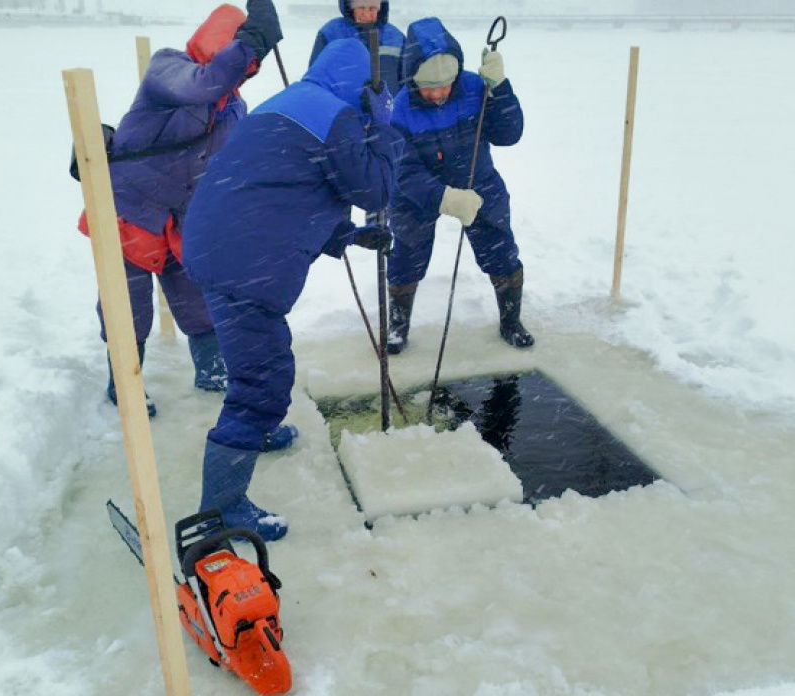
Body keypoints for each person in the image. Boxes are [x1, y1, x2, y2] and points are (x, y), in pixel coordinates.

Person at [182, 38, 401, 541]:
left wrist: (350, 235)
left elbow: (287, 191)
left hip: (219, 246)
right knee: (262, 381)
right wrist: (385, 128)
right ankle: (223, 509)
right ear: (360, 87)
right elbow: (374, 189)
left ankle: (253, 432)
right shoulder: (338, 116)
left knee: (255, 362)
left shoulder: (290, 103)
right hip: (243, 262)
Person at [76, 1, 282, 417]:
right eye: (241, 56)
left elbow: (233, 163)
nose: (244, 71)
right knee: (127, 308)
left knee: (197, 302)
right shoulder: (169, 69)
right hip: (131, 209)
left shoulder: (232, 106)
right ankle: (124, 386)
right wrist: (249, 43)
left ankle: (212, 372)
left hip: (181, 218)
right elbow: (204, 84)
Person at [384, 17, 532, 355]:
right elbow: (401, 170)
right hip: (419, 191)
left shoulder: (476, 88)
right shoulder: (399, 108)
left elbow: (509, 134)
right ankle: (398, 324)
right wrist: (443, 198)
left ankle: (511, 321)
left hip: (477, 180)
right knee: (406, 251)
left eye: (445, 85)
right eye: (428, 87)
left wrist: (501, 88)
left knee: (500, 248)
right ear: (412, 79)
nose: (437, 94)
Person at [309, 0, 405, 94]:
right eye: (361, 7)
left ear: (380, 8)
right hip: (342, 107)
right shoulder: (331, 33)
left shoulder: (396, 38)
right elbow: (315, 80)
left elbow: (406, 84)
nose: (367, 14)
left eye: (372, 8)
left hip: (387, 108)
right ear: (351, 8)